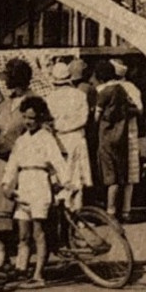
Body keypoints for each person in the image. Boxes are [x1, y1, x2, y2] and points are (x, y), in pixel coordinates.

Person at [2, 96, 75, 289]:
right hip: (24, 184)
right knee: (23, 234)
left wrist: (67, 182)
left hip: (39, 184)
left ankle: (38, 275)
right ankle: (21, 270)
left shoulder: (46, 138)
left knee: (38, 232)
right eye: (25, 117)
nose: (28, 122)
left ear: (40, 118)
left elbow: (58, 162)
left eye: (32, 118)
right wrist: (7, 185)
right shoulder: (21, 140)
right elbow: (12, 164)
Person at [0, 58, 34, 277]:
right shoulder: (4, 104)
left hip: (24, 162)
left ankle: (23, 255)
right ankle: (2, 255)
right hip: (1, 162)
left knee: (23, 212)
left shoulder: (33, 101)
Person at [93, 60, 139, 222]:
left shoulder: (103, 92)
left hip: (105, 136)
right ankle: (124, 211)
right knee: (122, 175)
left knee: (110, 177)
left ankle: (110, 210)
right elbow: (135, 108)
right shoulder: (123, 90)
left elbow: (96, 116)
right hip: (121, 136)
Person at [44, 62, 94, 212]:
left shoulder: (50, 98)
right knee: (77, 177)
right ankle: (76, 212)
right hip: (76, 138)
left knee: (61, 175)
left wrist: (59, 127)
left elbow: (49, 121)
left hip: (58, 138)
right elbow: (84, 118)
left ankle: (63, 211)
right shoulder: (79, 95)